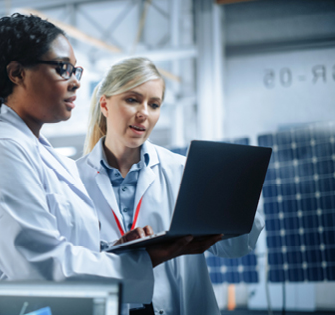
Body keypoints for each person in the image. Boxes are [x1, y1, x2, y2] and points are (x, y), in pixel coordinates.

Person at [0, 14, 220, 314]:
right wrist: (144, 260)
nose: (76, 83)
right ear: (17, 73)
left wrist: (117, 250)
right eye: (63, 69)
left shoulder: (45, 155)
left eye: (76, 70)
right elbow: (39, 267)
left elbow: (68, 250)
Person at [76, 57, 265, 314]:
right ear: (105, 104)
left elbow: (234, 248)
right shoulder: (72, 178)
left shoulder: (184, 171)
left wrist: (238, 203)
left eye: (154, 104)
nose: (144, 112)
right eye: (132, 99)